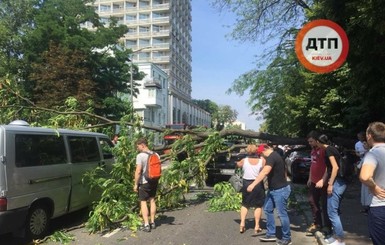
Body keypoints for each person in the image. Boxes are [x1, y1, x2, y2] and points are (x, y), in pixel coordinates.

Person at [247, 144, 292, 245]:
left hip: (280, 190)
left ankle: (287, 238)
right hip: (273, 190)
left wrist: (253, 185)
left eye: (261, 154)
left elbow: (264, 172)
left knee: (282, 214)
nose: (262, 156)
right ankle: (271, 233)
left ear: (264, 151)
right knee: (267, 209)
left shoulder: (272, 157)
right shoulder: (274, 155)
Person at [316, 134, 346, 245]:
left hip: (337, 182)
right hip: (339, 182)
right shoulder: (331, 149)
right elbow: (329, 169)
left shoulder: (328, 150)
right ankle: (335, 236)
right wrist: (324, 180)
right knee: (335, 210)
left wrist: (330, 184)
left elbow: (335, 167)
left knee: (332, 211)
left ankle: (340, 240)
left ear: (319, 142)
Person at [359, 122, 385, 245]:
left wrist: (373, 186)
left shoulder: (373, 154)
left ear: (369, 136)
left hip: (379, 205)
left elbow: (364, 176)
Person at [306, 131, 331, 236]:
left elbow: (328, 166)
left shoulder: (324, 150)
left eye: (311, 141)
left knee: (325, 204)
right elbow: (312, 164)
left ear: (317, 140)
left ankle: (327, 226)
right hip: (314, 181)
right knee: (312, 201)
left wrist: (323, 180)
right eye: (309, 142)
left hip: (323, 182)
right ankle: (317, 223)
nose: (310, 143)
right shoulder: (313, 150)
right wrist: (309, 178)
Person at [236, 144, 265, 234]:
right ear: (257, 151)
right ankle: (256, 226)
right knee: (258, 205)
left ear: (248, 151)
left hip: (246, 183)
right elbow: (264, 170)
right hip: (258, 184)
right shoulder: (262, 161)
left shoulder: (244, 160)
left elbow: (237, 165)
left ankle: (242, 224)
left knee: (245, 204)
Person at [134, 137, 159, 232]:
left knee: (143, 202)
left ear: (142, 145)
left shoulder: (140, 156)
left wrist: (136, 184)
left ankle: (146, 224)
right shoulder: (156, 154)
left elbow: (138, 172)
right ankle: (152, 222)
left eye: (138, 147)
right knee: (152, 200)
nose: (138, 149)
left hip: (144, 182)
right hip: (154, 180)